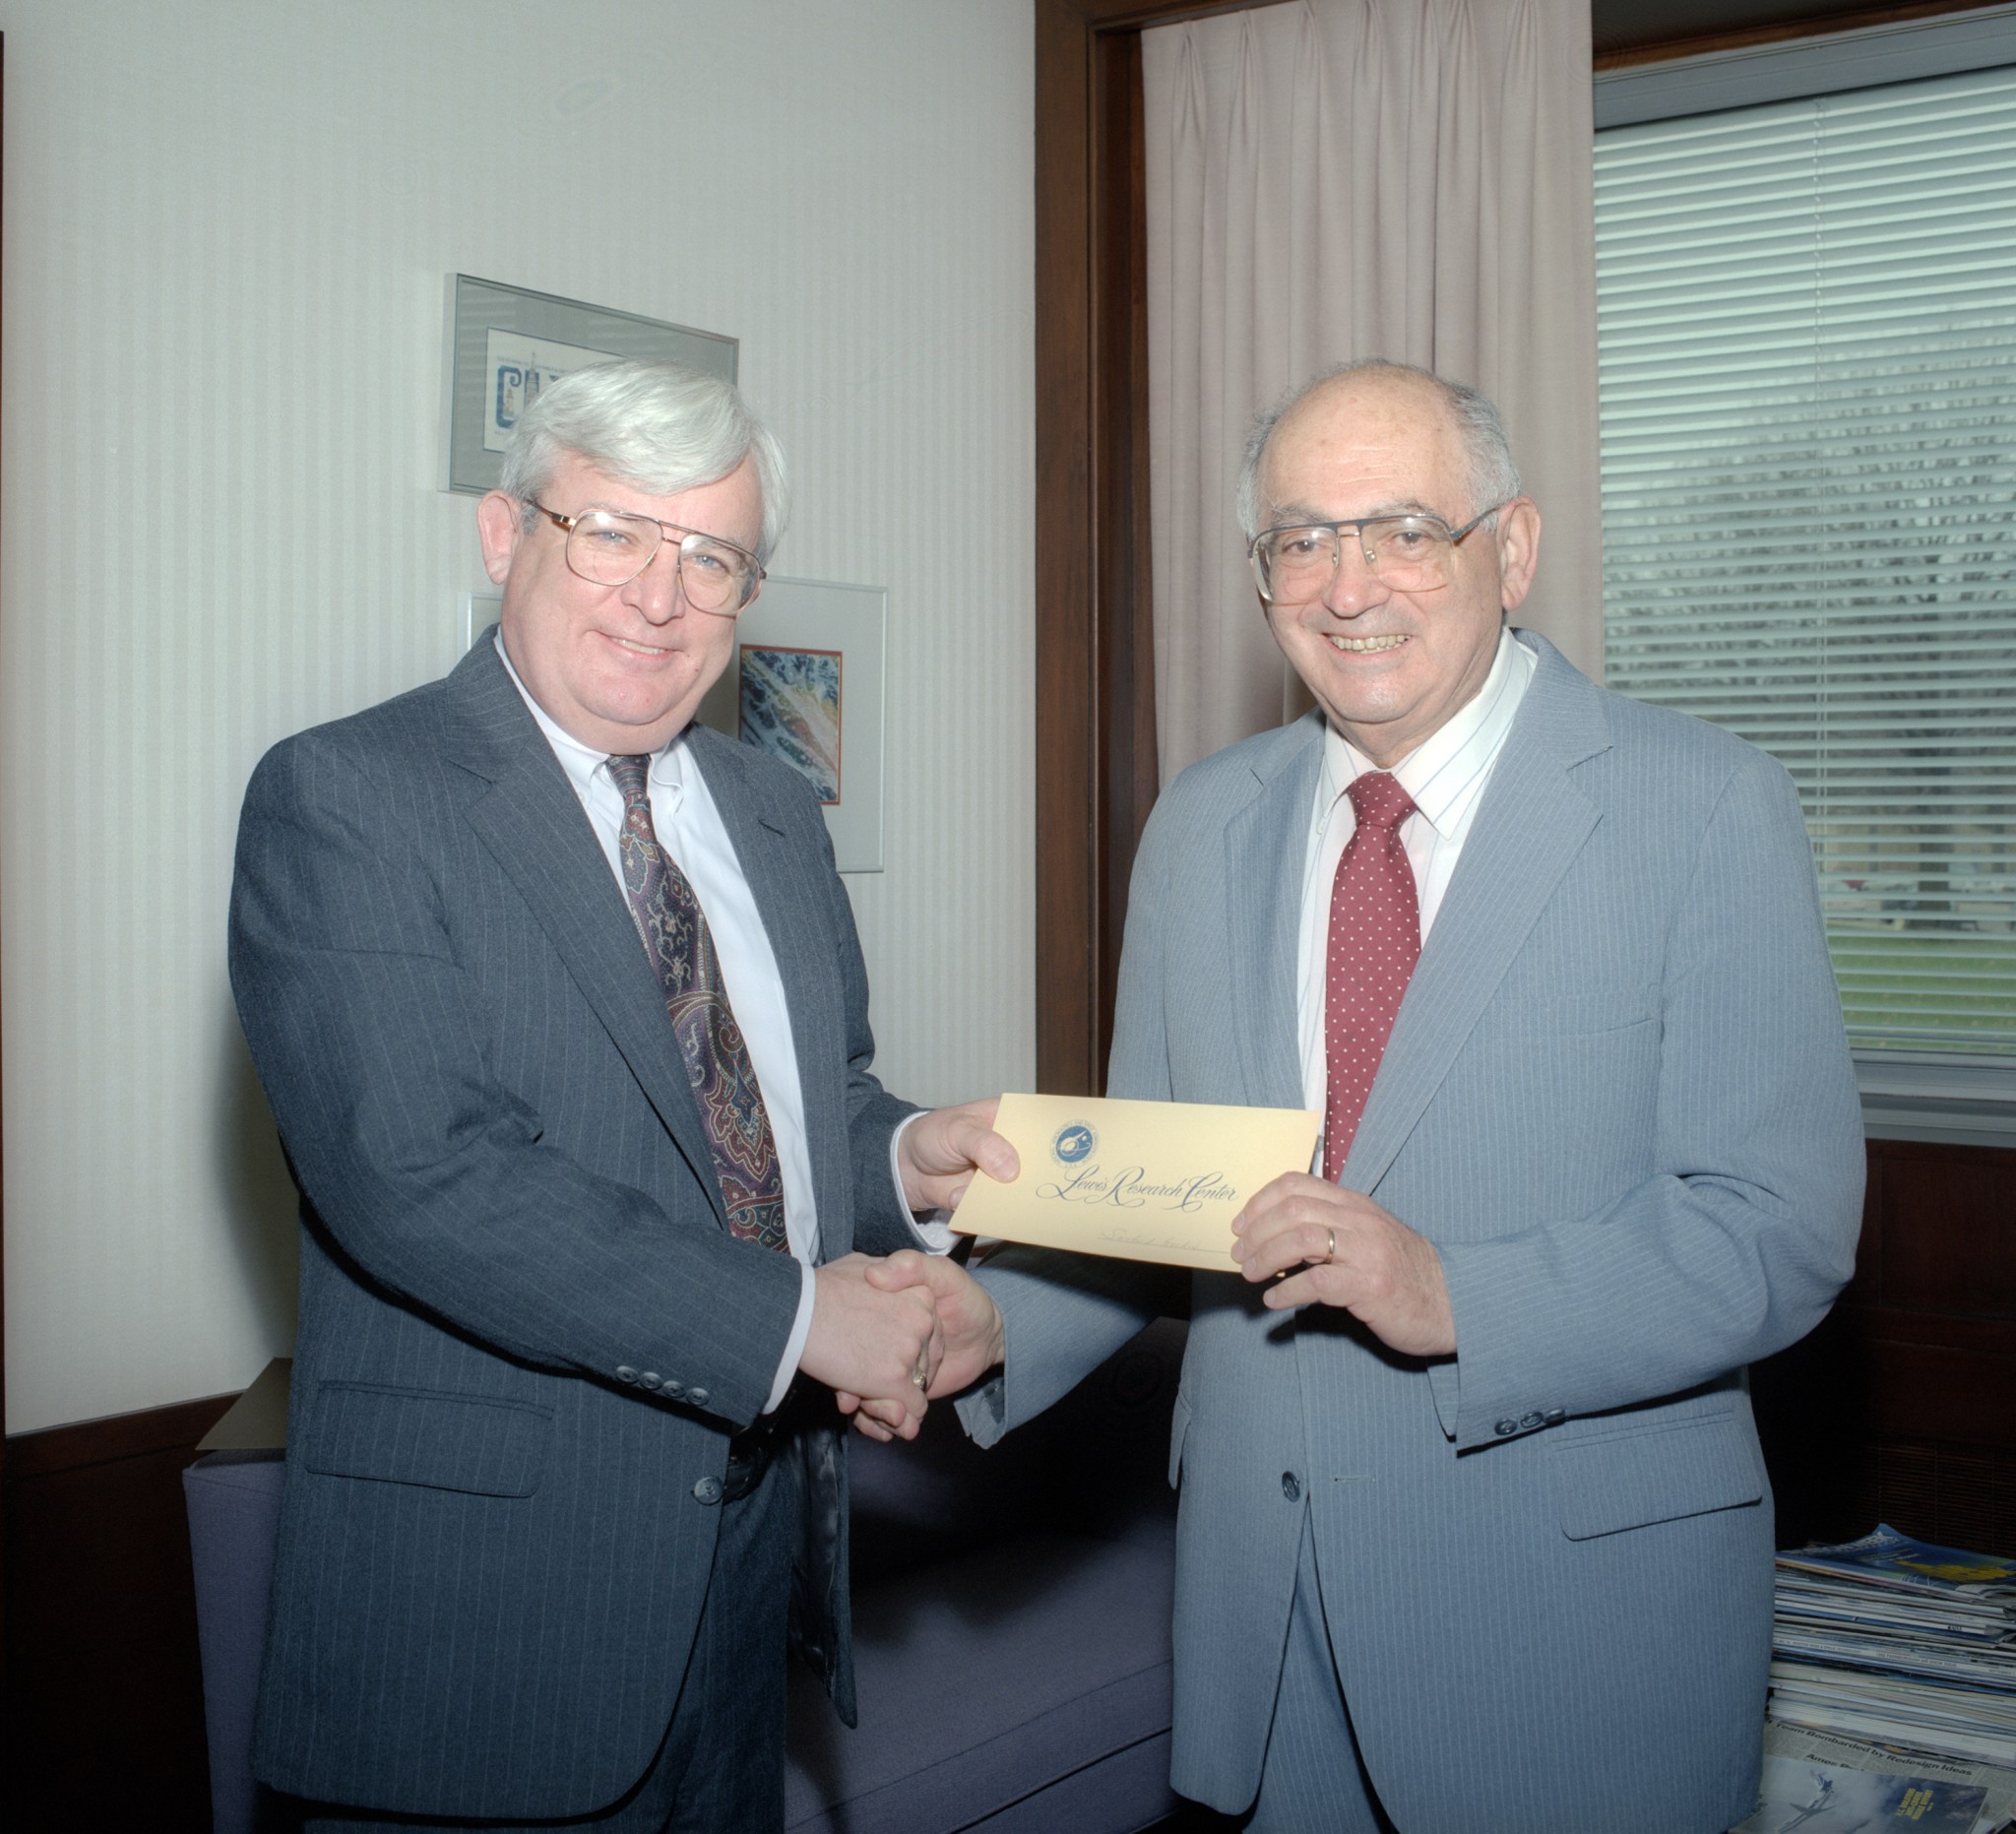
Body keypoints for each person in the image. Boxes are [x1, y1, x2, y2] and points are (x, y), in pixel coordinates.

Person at [883, 359, 1864, 1831]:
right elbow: (1162, 1199)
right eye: (1301, 539)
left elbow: (1776, 1228)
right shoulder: (1201, 825)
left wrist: (1458, 1292)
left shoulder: (1703, 807)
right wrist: (994, 1315)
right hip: (1267, 1620)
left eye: (1404, 529)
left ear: (1512, 549)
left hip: (1576, 1623)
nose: (1351, 586)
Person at [228, 357, 1010, 1832]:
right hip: (492, 1613)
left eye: (710, 559)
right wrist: (801, 1322)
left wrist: (908, 1156)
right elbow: (420, 1177)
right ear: (504, 534)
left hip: (753, 1569)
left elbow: (795, 1111)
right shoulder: (347, 796)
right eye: (614, 535)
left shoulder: (776, 813)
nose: (659, 598)